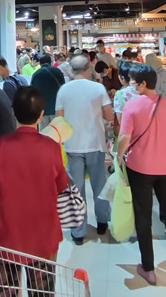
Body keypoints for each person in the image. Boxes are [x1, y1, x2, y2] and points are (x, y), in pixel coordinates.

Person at [0, 87, 68, 294]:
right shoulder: (52, 147)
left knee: (5, 291)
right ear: (41, 114)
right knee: (42, 292)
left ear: (13, 112)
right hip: (43, 236)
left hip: (6, 236)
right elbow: (61, 185)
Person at [117, 64, 166, 284]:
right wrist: (165, 138)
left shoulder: (132, 106)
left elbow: (124, 137)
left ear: (143, 83)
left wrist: (118, 156)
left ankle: (148, 268)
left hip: (139, 168)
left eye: (133, 81)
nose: (131, 85)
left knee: (143, 215)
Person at [55, 55, 113, 245]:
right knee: (99, 185)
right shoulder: (98, 88)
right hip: (95, 143)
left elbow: (58, 119)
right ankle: (102, 221)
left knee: (76, 189)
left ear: (71, 70)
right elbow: (109, 117)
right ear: (89, 68)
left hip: (72, 145)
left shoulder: (63, 90)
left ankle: (78, 231)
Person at [31, 55, 65, 130]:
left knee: (44, 132)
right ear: (51, 62)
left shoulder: (36, 74)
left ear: (40, 63)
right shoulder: (57, 71)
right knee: (56, 132)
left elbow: (32, 92)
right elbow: (63, 87)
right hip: (56, 107)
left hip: (42, 108)